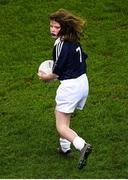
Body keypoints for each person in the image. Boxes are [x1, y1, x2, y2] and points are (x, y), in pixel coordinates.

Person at [38, 9, 92, 169]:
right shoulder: (74, 40)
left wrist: (44, 77)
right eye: (51, 26)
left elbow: (56, 72)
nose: (53, 30)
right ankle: (64, 148)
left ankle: (82, 146)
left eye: (56, 27)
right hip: (82, 82)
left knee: (61, 125)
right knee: (62, 114)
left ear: (64, 27)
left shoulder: (61, 44)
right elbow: (83, 58)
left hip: (70, 86)